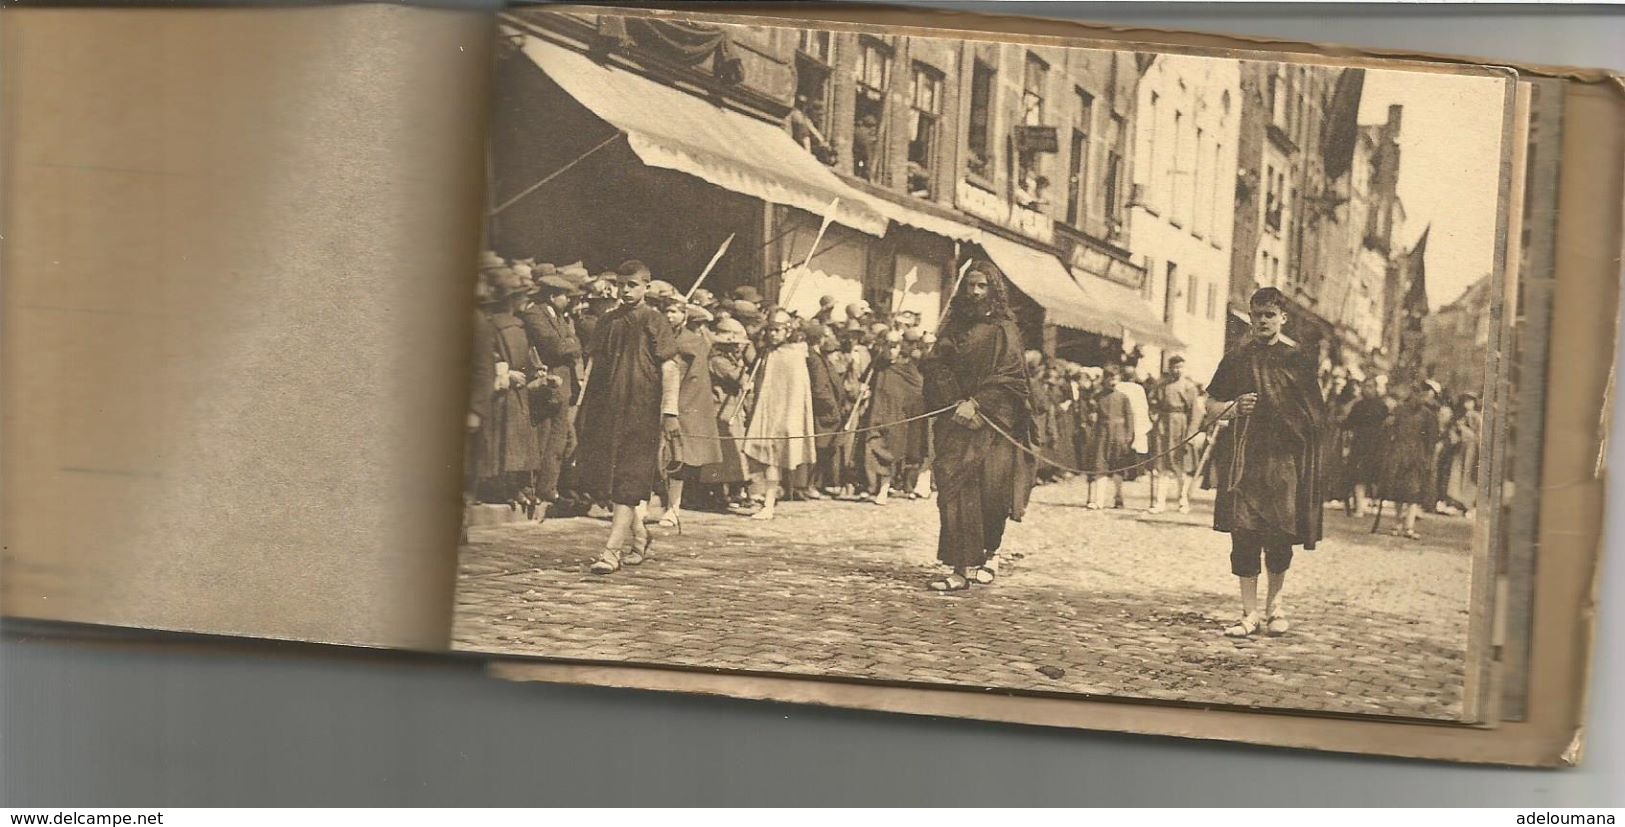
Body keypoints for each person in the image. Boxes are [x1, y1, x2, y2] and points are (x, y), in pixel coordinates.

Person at [1205, 287, 1327, 638]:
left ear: (1282, 318)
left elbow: (1315, 416)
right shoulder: (1235, 360)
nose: (1262, 321)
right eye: (1257, 314)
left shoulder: (1298, 361)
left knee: (1278, 538)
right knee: (1244, 537)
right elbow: (1210, 407)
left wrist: (1296, 428)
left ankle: (1275, 608)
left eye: (1269, 315)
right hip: (1244, 463)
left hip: (1283, 464)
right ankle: (1249, 613)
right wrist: (1233, 407)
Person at [919, 261, 1034, 592]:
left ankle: (990, 554)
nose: (975, 292)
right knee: (953, 495)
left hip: (992, 424)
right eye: (970, 285)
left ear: (993, 290)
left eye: (982, 286)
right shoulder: (953, 327)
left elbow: (1011, 376)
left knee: (989, 496)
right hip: (955, 420)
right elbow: (935, 364)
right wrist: (954, 400)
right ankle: (959, 568)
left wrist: (979, 404)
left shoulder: (1004, 330)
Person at [575, 261, 679, 575]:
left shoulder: (655, 320)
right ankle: (640, 536)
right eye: (621, 284)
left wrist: (670, 412)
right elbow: (592, 367)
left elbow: (669, 368)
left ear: (646, 286)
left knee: (628, 479)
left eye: (632, 285)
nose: (625, 290)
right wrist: (578, 410)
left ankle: (611, 552)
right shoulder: (607, 321)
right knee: (613, 479)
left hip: (642, 412)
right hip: (607, 411)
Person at [741, 309, 817, 520]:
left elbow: (796, 390)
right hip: (766, 411)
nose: (773, 334)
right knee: (764, 458)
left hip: (784, 414)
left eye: (778, 330)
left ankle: (769, 503)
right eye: (771, 330)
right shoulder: (768, 352)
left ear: (788, 331)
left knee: (774, 459)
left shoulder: (794, 355)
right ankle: (767, 499)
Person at [520, 273, 584, 506]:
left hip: (562, 385)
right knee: (544, 437)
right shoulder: (534, 314)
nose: (568, 299)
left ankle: (549, 487)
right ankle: (538, 486)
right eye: (565, 295)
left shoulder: (558, 316)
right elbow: (554, 346)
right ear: (551, 295)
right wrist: (570, 345)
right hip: (547, 385)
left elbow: (574, 342)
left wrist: (570, 345)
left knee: (558, 439)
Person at [658, 303, 723, 530]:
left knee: (678, 458)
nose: (669, 314)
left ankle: (673, 508)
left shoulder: (692, 342)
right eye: (666, 310)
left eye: (674, 311)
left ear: (685, 316)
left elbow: (689, 376)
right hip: (657, 399)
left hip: (683, 403)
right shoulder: (658, 336)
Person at [861, 329, 927, 505]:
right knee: (872, 448)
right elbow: (866, 382)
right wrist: (864, 389)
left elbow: (918, 390)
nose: (891, 351)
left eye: (895, 347)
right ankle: (872, 486)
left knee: (891, 451)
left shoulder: (906, 367)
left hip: (896, 417)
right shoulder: (878, 365)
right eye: (888, 347)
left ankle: (884, 488)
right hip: (877, 415)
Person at [1381, 380, 1442, 539]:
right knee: (1398, 490)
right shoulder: (1400, 410)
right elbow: (1389, 431)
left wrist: (1428, 459)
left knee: (1413, 492)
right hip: (1399, 453)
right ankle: (1397, 523)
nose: (1418, 397)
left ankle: (1409, 526)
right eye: (1416, 393)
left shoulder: (1428, 415)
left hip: (1417, 456)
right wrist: (1388, 426)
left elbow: (1432, 439)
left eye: (1422, 394)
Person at [1148, 355, 1202, 514]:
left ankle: (1183, 501)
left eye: (1180, 367)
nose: (1177, 370)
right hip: (1164, 427)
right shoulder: (1162, 385)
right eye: (1174, 367)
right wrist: (1153, 415)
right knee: (1162, 466)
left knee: (1181, 467)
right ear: (1169, 368)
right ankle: (1160, 502)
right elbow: (1154, 404)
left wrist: (1190, 434)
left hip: (1181, 426)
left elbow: (1195, 413)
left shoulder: (1189, 387)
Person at [804, 320, 848, 498]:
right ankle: (810, 485)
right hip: (823, 412)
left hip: (827, 410)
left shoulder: (817, 356)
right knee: (819, 448)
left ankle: (816, 484)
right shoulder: (814, 359)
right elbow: (819, 388)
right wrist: (832, 409)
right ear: (819, 339)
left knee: (824, 449)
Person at [1444, 392, 1481, 515]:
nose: (1467, 404)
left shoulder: (1477, 417)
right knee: (1456, 473)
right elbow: (1453, 432)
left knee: (1468, 474)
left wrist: (1464, 430)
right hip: (1460, 449)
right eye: (1465, 401)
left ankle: (1467, 503)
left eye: (1470, 402)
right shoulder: (1460, 416)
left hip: (1471, 449)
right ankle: (1456, 501)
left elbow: (1478, 436)